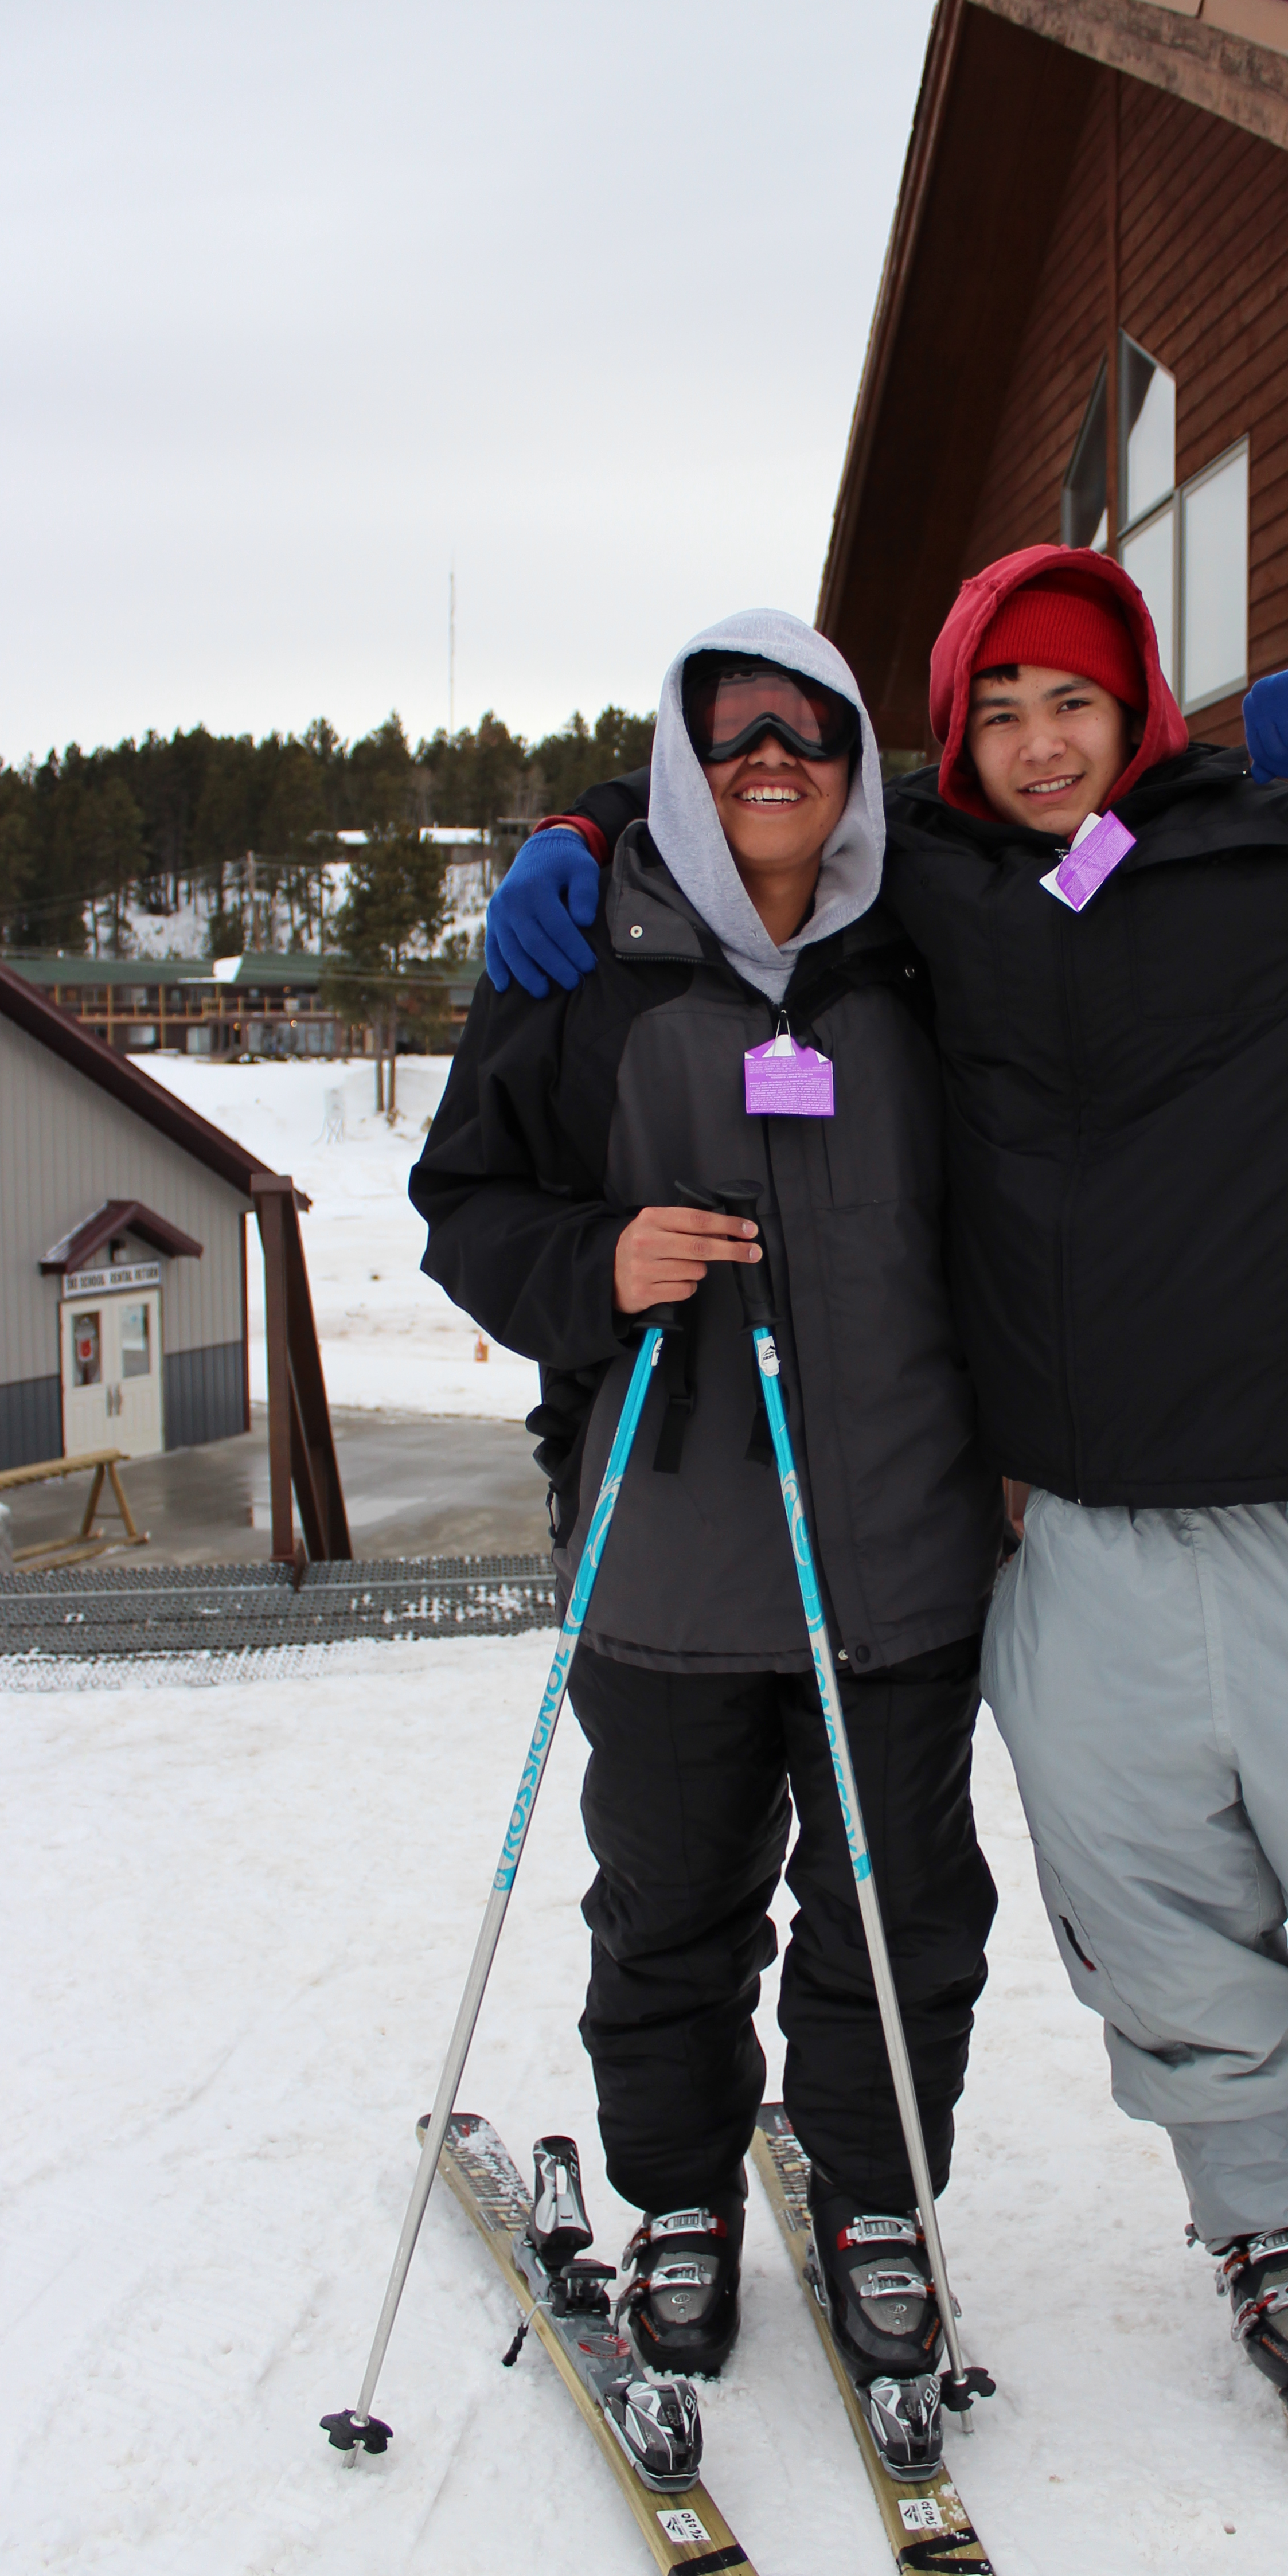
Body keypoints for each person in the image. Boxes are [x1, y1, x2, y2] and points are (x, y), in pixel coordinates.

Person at [482, 549, 1288, 2481]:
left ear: (1145, 705)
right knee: (1163, 1921)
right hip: (1082, 1526)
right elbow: (766, 805)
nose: (1035, 743)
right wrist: (584, 828)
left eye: (1074, 700)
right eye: (995, 710)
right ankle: (1265, 2218)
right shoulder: (943, 894)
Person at [411, 612, 1000, 2453]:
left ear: (855, 764)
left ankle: (871, 2188)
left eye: (809, 731)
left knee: (899, 1904)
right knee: (672, 1905)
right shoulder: (586, 951)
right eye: (729, 728)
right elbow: (463, 1201)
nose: (769, 758)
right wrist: (597, 1267)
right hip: (663, 1542)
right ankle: (679, 2191)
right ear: (681, 752)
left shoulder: (928, 938)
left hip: (897, 1537)